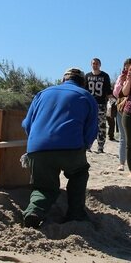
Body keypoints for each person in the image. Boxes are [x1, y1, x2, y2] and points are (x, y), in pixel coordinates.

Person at [20, 68, 98, 228]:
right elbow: (91, 131)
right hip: (71, 148)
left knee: (44, 186)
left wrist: (36, 144)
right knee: (78, 174)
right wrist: (84, 146)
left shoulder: (42, 94)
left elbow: (27, 124)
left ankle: (34, 211)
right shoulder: (86, 96)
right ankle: (76, 214)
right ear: (83, 83)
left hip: (37, 148)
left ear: (63, 80)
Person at [85, 58, 112, 153]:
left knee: (101, 126)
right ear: (91, 64)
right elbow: (84, 91)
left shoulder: (105, 76)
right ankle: (88, 145)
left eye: (96, 63)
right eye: (93, 63)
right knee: (88, 125)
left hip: (101, 104)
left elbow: (108, 91)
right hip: (89, 105)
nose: (95, 65)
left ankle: (100, 147)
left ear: (100, 65)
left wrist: (111, 102)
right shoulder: (87, 76)